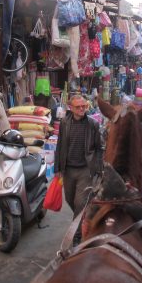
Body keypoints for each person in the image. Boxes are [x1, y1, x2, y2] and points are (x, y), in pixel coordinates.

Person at [54, 95, 103, 243]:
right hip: (68, 169)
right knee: (71, 200)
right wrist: (57, 168)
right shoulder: (64, 123)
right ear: (71, 108)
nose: (82, 109)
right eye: (78, 107)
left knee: (80, 203)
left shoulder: (92, 124)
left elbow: (99, 148)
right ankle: (85, 220)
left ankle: (76, 235)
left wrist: (98, 168)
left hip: (85, 169)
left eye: (84, 106)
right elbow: (60, 145)